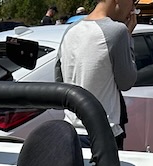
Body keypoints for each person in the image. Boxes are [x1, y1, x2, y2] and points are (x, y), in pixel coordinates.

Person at [54, 0, 137, 147]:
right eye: (133, 2)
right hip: (103, 131)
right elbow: (127, 81)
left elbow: (59, 80)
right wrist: (128, 37)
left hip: (71, 131)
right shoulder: (117, 31)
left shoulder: (70, 30)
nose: (133, 8)